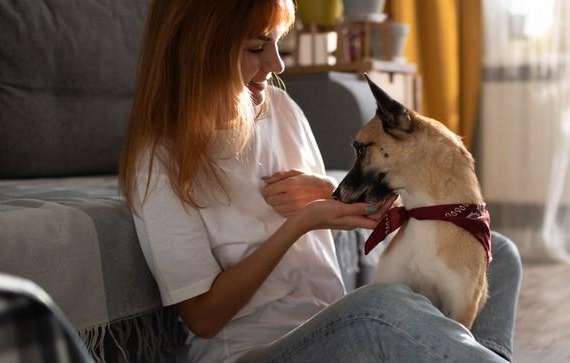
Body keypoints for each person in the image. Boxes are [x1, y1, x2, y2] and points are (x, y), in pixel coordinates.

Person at [119, 0, 522, 362]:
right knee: (382, 310)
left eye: (277, 44)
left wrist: (329, 196)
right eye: (257, 49)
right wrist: (303, 222)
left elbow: (354, 210)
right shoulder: (159, 161)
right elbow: (204, 319)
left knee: (493, 250)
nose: (277, 65)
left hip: (331, 326)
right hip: (252, 352)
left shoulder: (280, 109)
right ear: (198, 49)